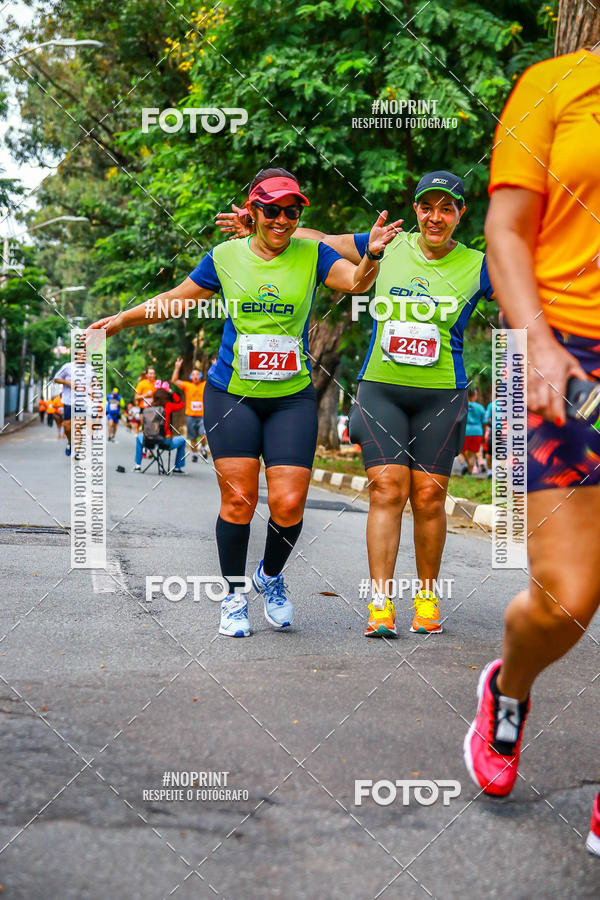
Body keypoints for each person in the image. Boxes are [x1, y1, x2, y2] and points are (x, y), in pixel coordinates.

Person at [89, 166, 399, 638]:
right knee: (238, 500)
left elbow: (356, 283)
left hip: (291, 396)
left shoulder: (312, 254)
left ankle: (270, 577)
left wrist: (372, 255)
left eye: (291, 211)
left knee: (290, 502)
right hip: (231, 393)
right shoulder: (225, 256)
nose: (282, 219)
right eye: (272, 209)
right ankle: (234, 597)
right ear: (252, 211)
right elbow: (176, 299)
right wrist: (119, 321)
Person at [218, 169, 495, 636]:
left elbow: (529, 293)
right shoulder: (386, 243)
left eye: (446, 208)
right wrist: (262, 234)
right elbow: (314, 237)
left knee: (429, 498)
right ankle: (381, 603)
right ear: (416, 209)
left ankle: (427, 600)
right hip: (380, 390)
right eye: (426, 206)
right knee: (387, 490)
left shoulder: (479, 264)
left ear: (460, 214)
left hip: (442, 395)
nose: (435, 217)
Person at [463, 45, 600, 840]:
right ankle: (507, 689)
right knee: (567, 600)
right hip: (561, 353)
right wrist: (537, 342)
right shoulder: (555, 83)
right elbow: (507, 232)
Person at [133, 382, 186, 472]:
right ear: (166, 397)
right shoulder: (168, 406)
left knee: (139, 437)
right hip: (165, 442)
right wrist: (172, 392)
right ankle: (177, 467)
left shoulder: (148, 407)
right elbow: (181, 404)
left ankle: (138, 465)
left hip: (149, 441)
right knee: (182, 440)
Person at [171, 358, 208, 460]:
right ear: (190, 377)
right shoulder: (187, 385)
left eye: (197, 374)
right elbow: (174, 380)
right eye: (193, 375)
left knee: (203, 435)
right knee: (192, 437)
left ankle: (203, 448)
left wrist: (215, 366)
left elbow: (216, 380)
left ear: (200, 376)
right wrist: (177, 368)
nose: (195, 376)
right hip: (190, 415)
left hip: (202, 415)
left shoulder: (204, 385)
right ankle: (195, 453)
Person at [462, 387, 486, 474]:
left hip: (464, 432)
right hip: (477, 432)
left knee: (461, 451)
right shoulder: (480, 407)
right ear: (475, 396)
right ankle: (469, 472)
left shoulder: (462, 406)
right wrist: (483, 434)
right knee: (472, 453)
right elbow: (485, 421)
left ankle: (465, 465)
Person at [52, 362, 74, 453]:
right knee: (67, 427)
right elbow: (56, 379)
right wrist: (67, 382)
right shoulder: (67, 367)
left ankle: (78, 450)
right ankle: (70, 442)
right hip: (69, 402)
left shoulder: (89, 369)